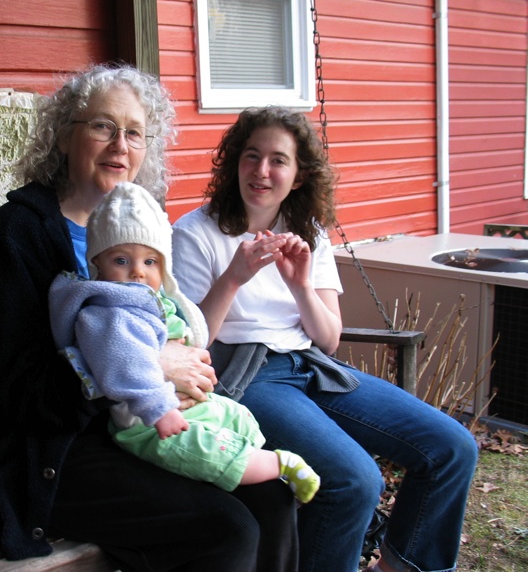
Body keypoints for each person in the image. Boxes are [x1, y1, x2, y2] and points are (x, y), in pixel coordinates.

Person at [0, 65, 299, 572]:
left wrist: (180, 368)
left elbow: (176, 326)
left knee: (273, 492)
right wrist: (149, 366)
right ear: (64, 135)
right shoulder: (18, 235)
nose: (120, 145)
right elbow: (21, 394)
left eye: (134, 132)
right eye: (101, 126)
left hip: (133, 427)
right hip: (47, 449)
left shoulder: (141, 229)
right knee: (224, 528)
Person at [171, 106, 479, 572]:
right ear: (235, 162)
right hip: (247, 377)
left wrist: (300, 285)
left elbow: (329, 339)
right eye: (251, 156)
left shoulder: (309, 233)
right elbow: (194, 345)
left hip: (313, 367)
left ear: (297, 176)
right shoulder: (195, 232)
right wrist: (233, 278)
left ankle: (399, 566)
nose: (261, 170)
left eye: (278, 160)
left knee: (452, 448)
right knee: (355, 479)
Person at [48, 182, 320, 501]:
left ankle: (255, 463)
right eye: (121, 261)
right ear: (98, 265)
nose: (137, 271)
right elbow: (124, 366)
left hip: (184, 404)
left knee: (237, 417)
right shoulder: (109, 313)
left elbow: (194, 334)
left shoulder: (155, 299)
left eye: (150, 262)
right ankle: (279, 464)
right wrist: (159, 410)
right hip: (145, 421)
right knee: (205, 451)